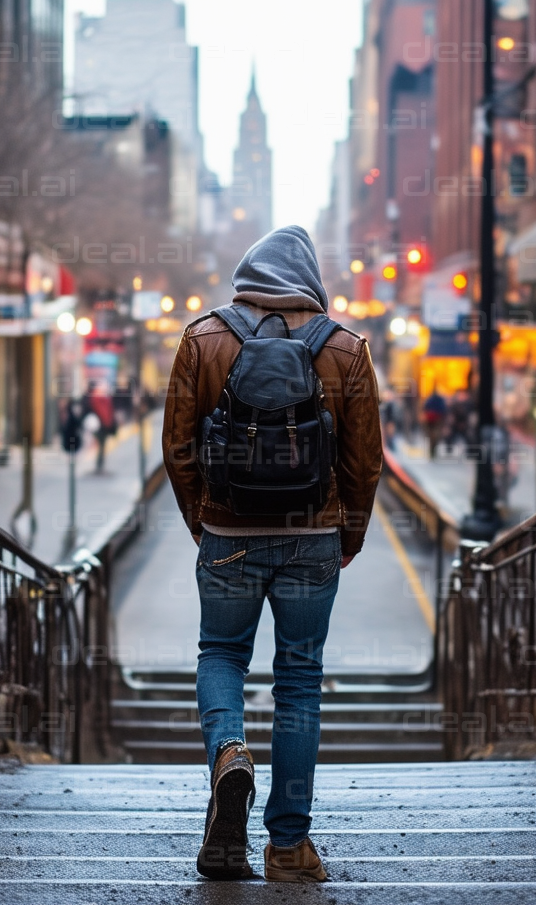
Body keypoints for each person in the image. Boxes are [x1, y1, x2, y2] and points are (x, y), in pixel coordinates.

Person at [163, 224, 382, 883]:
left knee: (222, 654)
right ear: (311, 282)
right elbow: (365, 462)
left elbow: (177, 448)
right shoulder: (347, 348)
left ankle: (230, 751)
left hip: (229, 534)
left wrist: (204, 523)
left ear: (247, 277)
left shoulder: (202, 338)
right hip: (313, 538)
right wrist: (350, 533)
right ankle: (288, 847)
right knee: (298, 683)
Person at [85, 381, 118, 472]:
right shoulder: (98, 399)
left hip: (102, 426)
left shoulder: (101, 399)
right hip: (100, 426)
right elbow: (104, 413)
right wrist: (107, 422)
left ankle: (100, 465)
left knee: (101, 446)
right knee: (100, 446)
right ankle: (99, 465)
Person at [422, 388, 447, 459]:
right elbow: (443, 409)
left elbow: (425, 408)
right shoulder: (440, 400)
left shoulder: (429, 399)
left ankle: (432, 451)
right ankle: (432, 451)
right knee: (434, 437)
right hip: (435, 421)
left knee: (433, 437)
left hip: (433, 421)